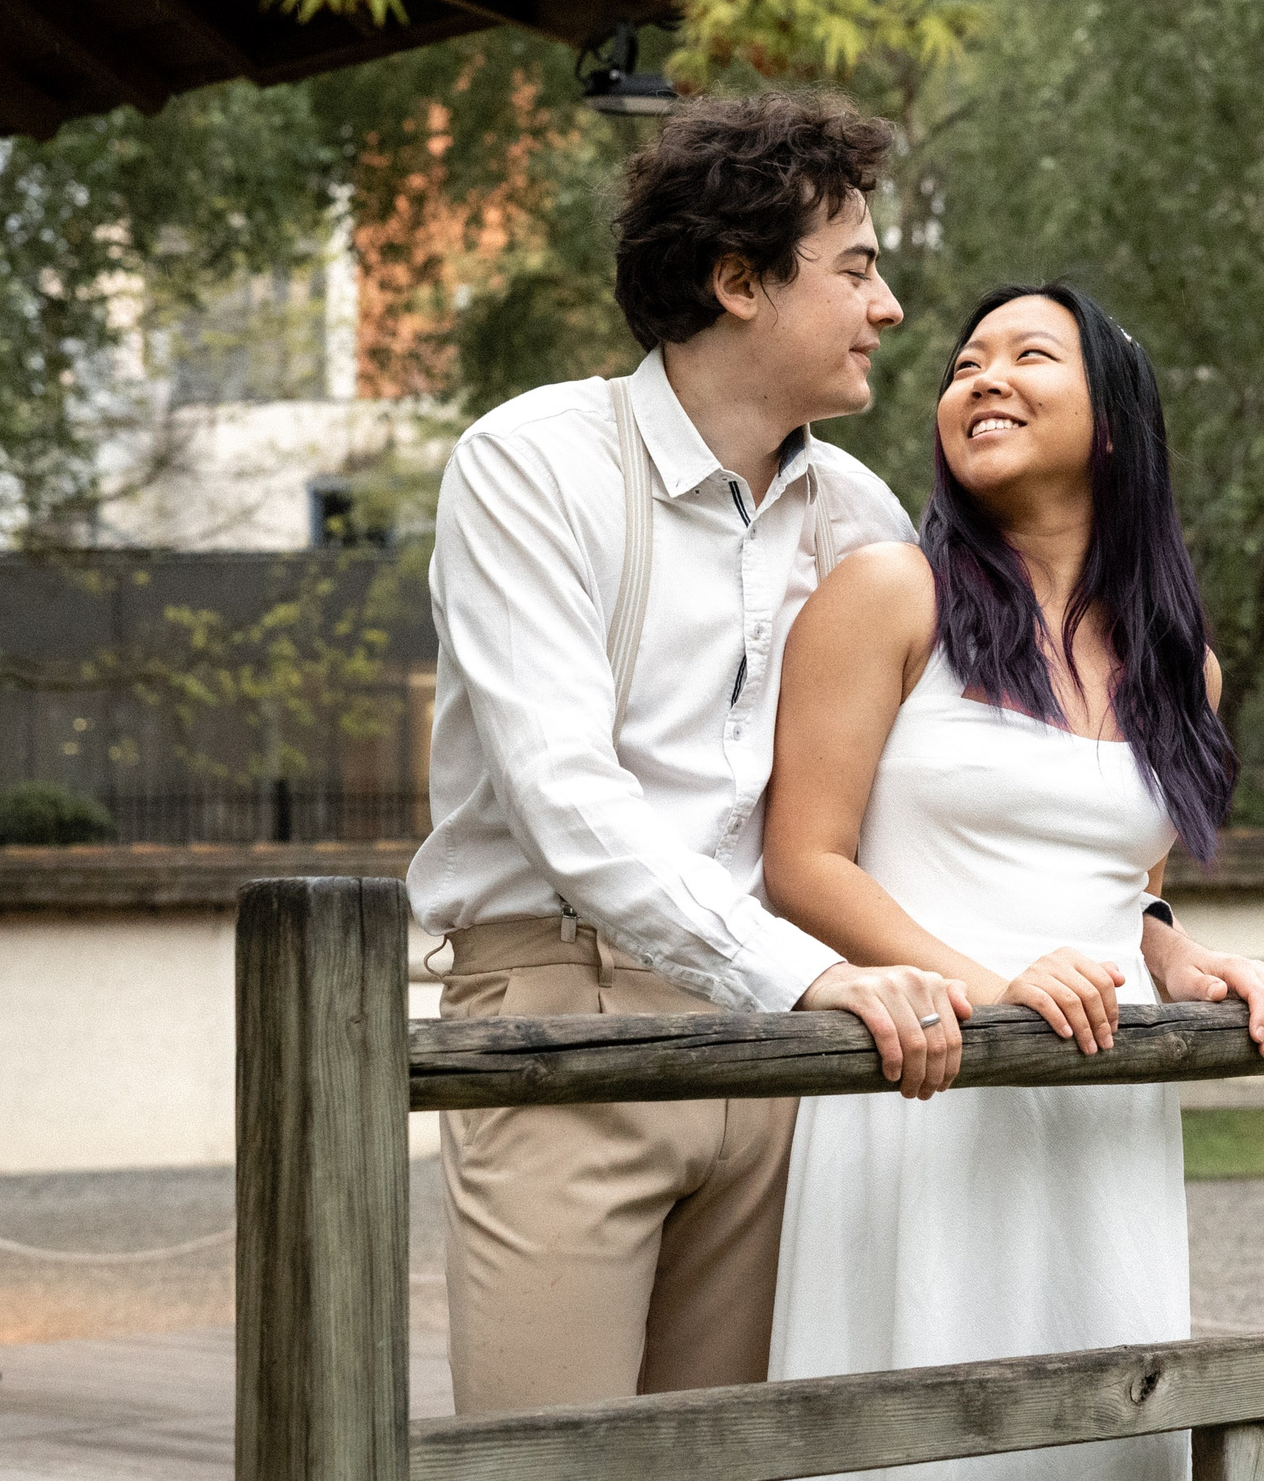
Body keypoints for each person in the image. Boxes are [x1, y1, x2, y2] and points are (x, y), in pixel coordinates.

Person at [411, 91, 975, 1416]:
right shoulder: (528, 464)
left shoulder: (861, 515)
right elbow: (566, 801)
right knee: (550, 1459)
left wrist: (1159, 930)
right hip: (561, 1015)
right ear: (738, 282)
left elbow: (949, 781)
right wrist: (809, 976)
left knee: (730, 1457)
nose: (890, 305)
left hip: (792, 1044)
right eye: (856, 268)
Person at [761, 282, 1264, 1479]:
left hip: (1099, 1109)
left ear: (1111, 422)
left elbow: (1119, 883)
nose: (980, 378)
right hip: (927, 1090)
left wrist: (1200, 965)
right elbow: (803, 864)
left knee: (1102, 1433)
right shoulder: (890, 592)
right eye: (963, 363)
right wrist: (992, 990)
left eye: (1028, 355)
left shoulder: (1177, 665)